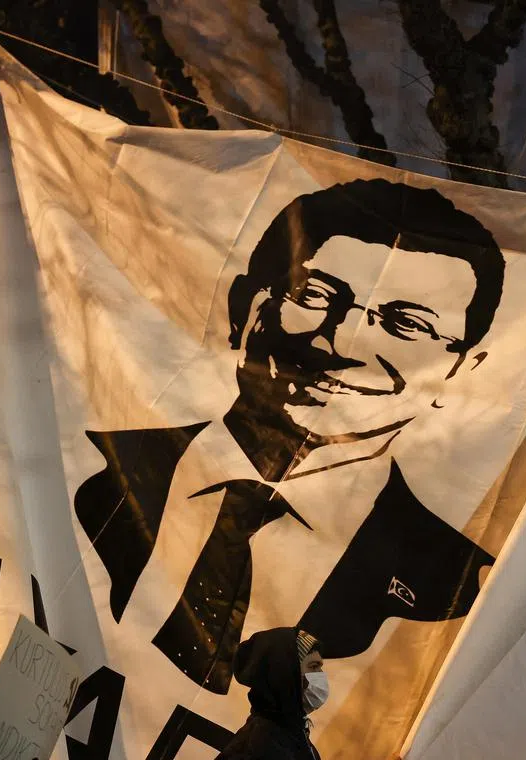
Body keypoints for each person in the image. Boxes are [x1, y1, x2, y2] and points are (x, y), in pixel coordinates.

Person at [75, 178, 502, 696]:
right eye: (314, 294)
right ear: (247, 308)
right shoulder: (76, 464)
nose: (341, 342)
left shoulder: (457, 595)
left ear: (459, 372)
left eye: (407, 324)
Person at [217, 628, 327, 760]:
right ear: (285, 674)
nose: (321, 675)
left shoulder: (293, 735)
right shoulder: (256, 749)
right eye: (314, 666)